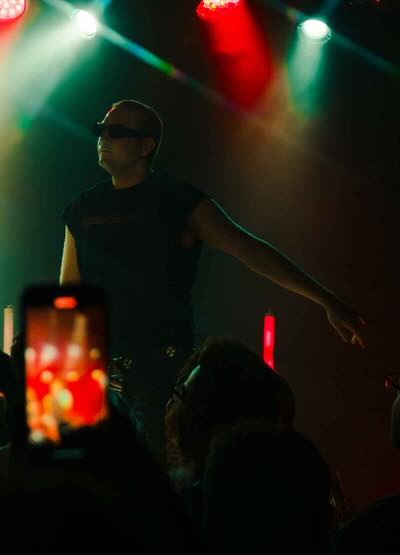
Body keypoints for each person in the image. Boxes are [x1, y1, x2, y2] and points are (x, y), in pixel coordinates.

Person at [60, 99, 365, 447]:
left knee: (150, 463)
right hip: (101, 376)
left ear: (146, 146)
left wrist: (326, 300)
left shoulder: (176, 201)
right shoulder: (81, 209)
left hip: (162, 372)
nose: (103, 137)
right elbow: (68, 290)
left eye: (115, 131)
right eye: (101, 130)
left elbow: (251, 251)